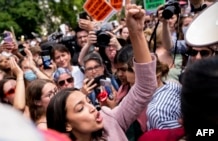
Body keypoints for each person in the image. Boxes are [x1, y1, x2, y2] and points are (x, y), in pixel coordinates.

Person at [46, 4, 157, 141]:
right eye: (80, 108)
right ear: (67, 125)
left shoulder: (109, 120)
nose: (92, 108)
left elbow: (145, 86)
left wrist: (136, 33)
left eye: (88, 102)